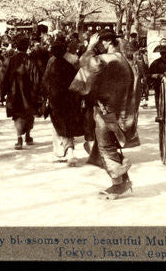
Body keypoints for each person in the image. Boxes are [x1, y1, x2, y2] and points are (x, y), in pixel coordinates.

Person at [80, 30, 138, 199]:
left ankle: (118, 184)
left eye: (101, 43)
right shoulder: (124, 60)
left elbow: (84, 64)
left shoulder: (108, 59)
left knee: (105, 144)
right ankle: (122, 181)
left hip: (106, 109)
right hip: (118, 109)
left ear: (105, 42)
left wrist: (90, 47)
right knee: (107, 143)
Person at [41, 38, 80, 164]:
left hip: (55, 101)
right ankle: (70, 151)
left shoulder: (51, 64)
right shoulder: (71, 64)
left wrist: (45, 97)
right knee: (68, 125)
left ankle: (59, 153)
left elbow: (45, 82)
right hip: (69, 100)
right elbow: (77, 82)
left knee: (57, 126)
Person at [2, 34, 40, 150]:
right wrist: (37, 93)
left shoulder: (10, 61)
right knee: (28, 115)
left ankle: (19, 139)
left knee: (17, 116)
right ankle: (28, 136)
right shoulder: (31, 61)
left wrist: (4, 93)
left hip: (14, 94)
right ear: (27, 46)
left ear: (16, 47)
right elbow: (36, 79)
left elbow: (3, 77)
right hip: (29, 94)